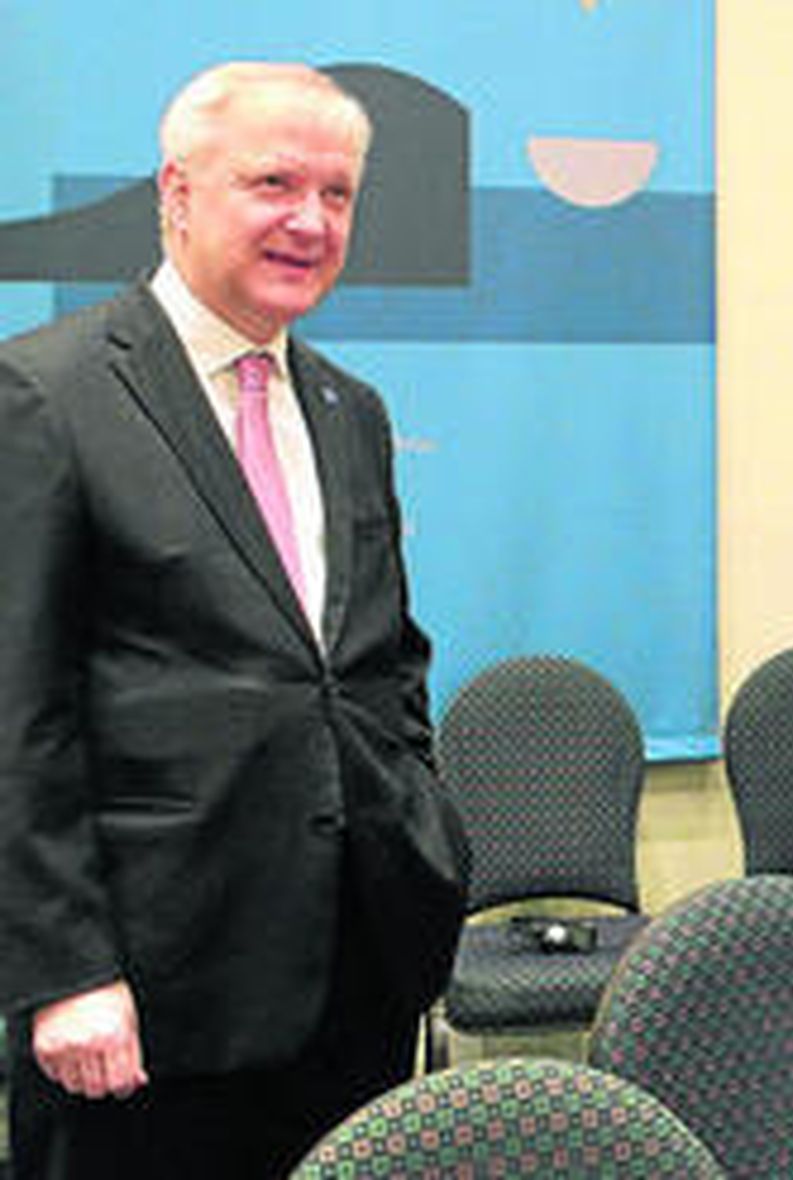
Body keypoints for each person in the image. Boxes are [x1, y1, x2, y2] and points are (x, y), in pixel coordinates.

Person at [0, 62, 470, 1179]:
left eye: (339, 194)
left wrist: (422, 842)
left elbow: (381, 664)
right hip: (145, 1001)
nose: (310, 221)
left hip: (355, 973)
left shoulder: (351, 410)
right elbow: (16, 711)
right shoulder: (46, 395)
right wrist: (61, 971)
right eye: (273, 183)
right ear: (176, 191)